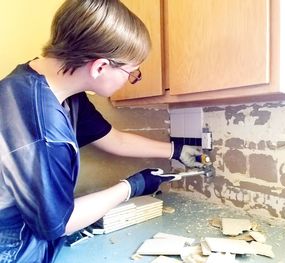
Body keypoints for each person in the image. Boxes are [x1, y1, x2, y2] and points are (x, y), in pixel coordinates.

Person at [0, 0, 203, 262]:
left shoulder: (54, 84)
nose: (131, 79)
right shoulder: (42, 131)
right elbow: (63, 223)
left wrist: (176, 150)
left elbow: (114, 139)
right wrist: (132, 186)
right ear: (100, 67)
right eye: (132, 72)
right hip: (13, 251)